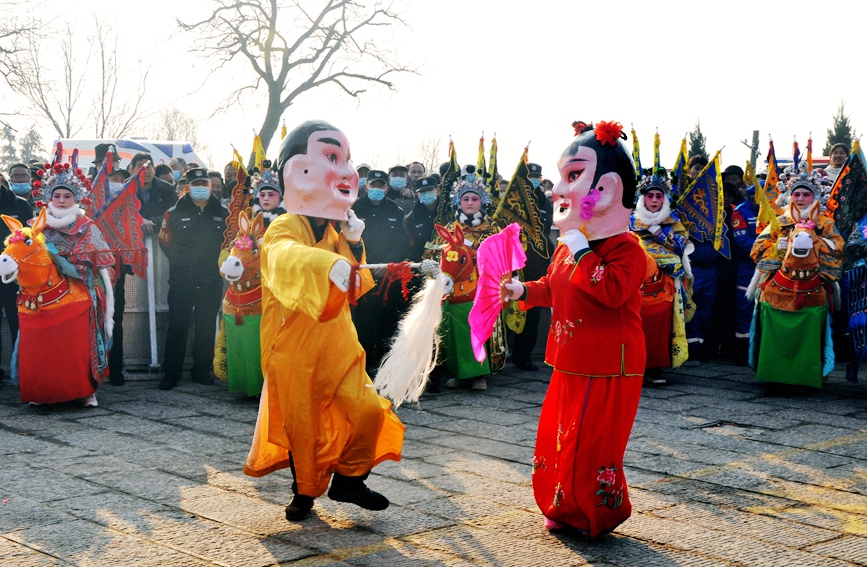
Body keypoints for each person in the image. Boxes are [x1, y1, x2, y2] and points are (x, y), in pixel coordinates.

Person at [243, 120, 404, 522]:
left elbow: (355, 281)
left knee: (366, 410)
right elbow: (281, 258)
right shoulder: (284, 225)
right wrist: (325, 262)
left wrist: (351, 243)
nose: (347, 170)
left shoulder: (335, 229)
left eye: (345, 159)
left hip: (338, 341)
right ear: (300, 171)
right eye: (332, 157)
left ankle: (349, 479)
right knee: (304, 424)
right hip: (294, 346)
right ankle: (305, 491)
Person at [502, 120, 645, 538]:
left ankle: (595, 513)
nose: (556, 191)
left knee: (592, 445)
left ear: (610, 187)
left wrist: (582, 252)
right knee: (558, 438)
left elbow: (612, 291)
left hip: (608, 362)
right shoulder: (571, 246)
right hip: (570, 358)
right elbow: (554, 287)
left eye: (574, 176)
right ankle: (563, 506)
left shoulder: (626, 248)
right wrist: (521, 289)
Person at [23, 163, 116, 407]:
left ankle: (86, 390)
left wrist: (76, 261)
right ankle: (44, 390)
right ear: (48, 198)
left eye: (67, 196)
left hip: (80, 290)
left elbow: (104, 259)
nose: (62, 201)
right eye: (57, 196)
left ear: (76, 199)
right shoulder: (35, 226)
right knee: (44, 344)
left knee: (78, 346)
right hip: (43, 295)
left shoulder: (87, 226)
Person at [749, 167, 843, 388]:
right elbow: (757, 249)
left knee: (832, 300)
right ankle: (772, 372)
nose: (800, 199)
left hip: (814, 282)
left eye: (806, 194)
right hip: (778, 282)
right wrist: (777, 248)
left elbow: (839, 248)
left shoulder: (826, 224)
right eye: (797, 194)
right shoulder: (779, 221)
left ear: (815, 197)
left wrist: (819, 245)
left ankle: (810, 373)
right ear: (790, 196)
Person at [108, 152, 176, 385]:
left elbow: (171, 212)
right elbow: (116, 212)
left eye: (149, 166)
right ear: (133, 168)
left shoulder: (166, 189)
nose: (145, 170)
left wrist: (153, 222)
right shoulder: (124, 188)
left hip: (159, 250)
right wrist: (138, 221)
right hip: (122, 255)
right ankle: (114, 367)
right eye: (140, 166)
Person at [157, 168, 229, 390]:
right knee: (178, 326)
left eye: (204, 184)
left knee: (206, 326)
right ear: (188, 186)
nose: (201, 188)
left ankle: (201, 371)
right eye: (196, 184)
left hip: (210, 280)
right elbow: (164, 242)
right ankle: (171, 374)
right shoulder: (173, 212)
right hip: (182, 280)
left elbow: (229, 244)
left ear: (210, 186)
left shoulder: (223, 213)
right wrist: (181, 262)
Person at [630, 169, 693, 385]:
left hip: (665, 282)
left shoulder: (673, 221)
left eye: (659, 196)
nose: (654, 200)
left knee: (659, 324)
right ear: (642, 198)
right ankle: (631, 366)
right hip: (634, 280)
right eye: (650, 196)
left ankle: (655, 368)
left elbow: (682, 245)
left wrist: (659, 233)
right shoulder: (629, 221)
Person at [351, 169, 411, 372]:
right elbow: (350, 239)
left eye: (381, 185)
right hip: (363, 273)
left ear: (387, 188)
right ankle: (364, 366)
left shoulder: (394, 209)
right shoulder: (355, 208)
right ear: (366, 186)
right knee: (364, 322)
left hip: (389, 274)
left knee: (388, 321)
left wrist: (386, 264)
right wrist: (370, 265)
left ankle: (387, 365)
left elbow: (401, 241)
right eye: (373, 185)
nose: (377, 189)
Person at [511, 163, 554, 371]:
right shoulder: (513, 199)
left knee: (531, 312)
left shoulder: (544, 202)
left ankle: (523, 356)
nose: (534, 180)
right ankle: (500, 356)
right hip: (512, 263)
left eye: (537, 176)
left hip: (536, 262)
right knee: (506, 311)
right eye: (530, 177)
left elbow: (545, 231)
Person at [0, 165, 34, 378]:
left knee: (17, 322)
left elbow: (30, 239)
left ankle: (20, 371)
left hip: (13, 275)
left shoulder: (20, 205)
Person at [682, 154, 716, 364]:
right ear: (689, 170)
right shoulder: (679, 198)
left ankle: (701, 344)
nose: (699, 172)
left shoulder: (714, 200)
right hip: (690, 264)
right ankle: (689, 346)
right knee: (689, 305)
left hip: (711, 265)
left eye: (704, 169)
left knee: (706, 306)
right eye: (696, 168)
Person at [731, 181, 760, 366]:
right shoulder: (741, 211)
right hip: (748, 267)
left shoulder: (777, 209)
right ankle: (742, 352)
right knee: (745, 307)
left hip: (771, 267)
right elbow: (741, 240)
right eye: (755, 196)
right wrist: (765, 251)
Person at [405, 175, 440, 262]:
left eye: (430, 190)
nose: (427, 194)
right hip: (421, 263)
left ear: (438, 191)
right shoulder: (411, 218)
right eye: (423, 191)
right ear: (417, 194)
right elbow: (411, 245)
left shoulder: (448, 211)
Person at [249, 161, 286, 228]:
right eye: (262, 195)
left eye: (271, 195)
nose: (266, 198)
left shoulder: (287, 222)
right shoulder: (251, 224)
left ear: (280, 197)